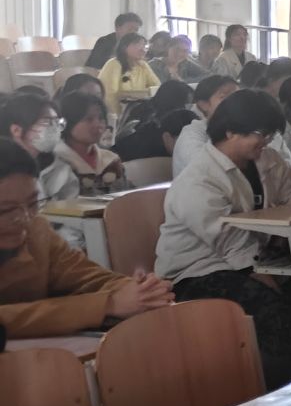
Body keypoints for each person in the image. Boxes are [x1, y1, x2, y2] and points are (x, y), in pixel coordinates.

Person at [156, 89, 291, 389]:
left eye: (270, 134)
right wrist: (263, 277)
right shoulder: (199, 178)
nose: (266, 141)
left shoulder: (269, 160)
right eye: (260, 134)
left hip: (259, 259)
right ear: (230, 131)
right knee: (276, 312)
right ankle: (285, 390)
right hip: (200, 272)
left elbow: (289, 203)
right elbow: (228, 240)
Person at [0, 142, 175, 337]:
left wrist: (140, 290)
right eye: (5, 210)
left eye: (33, 203)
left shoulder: (37, 231)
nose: (24, 218)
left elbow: (87, 277)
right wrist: (108, 304)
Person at [2, 92, 74, 204]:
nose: (55, 128)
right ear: (16, 130)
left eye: (57, 122)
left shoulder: (58, 166)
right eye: (46, 122)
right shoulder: (5, 168)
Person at [171, 75, 241, 178]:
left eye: (238, 97)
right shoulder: (191, 135)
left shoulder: (239, 130)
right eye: (224, 97)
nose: (235, 103)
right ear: (204, 105)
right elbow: (206, 169)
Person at [53, 93, 123, 194]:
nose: (98, 124)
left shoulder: (112, 161)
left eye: (101, 118)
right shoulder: (54, 161)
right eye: (89, 119)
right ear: (67, 122)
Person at [96, 33, 158, 121]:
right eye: (137, 45)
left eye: (144, 46)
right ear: (124, 47)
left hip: (138, 112)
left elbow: (158, 88)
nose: (142, 50)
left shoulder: (143, 65)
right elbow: (110, 96)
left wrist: (137, 94)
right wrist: (117, 119)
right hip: (116, 116)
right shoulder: (114, 64)